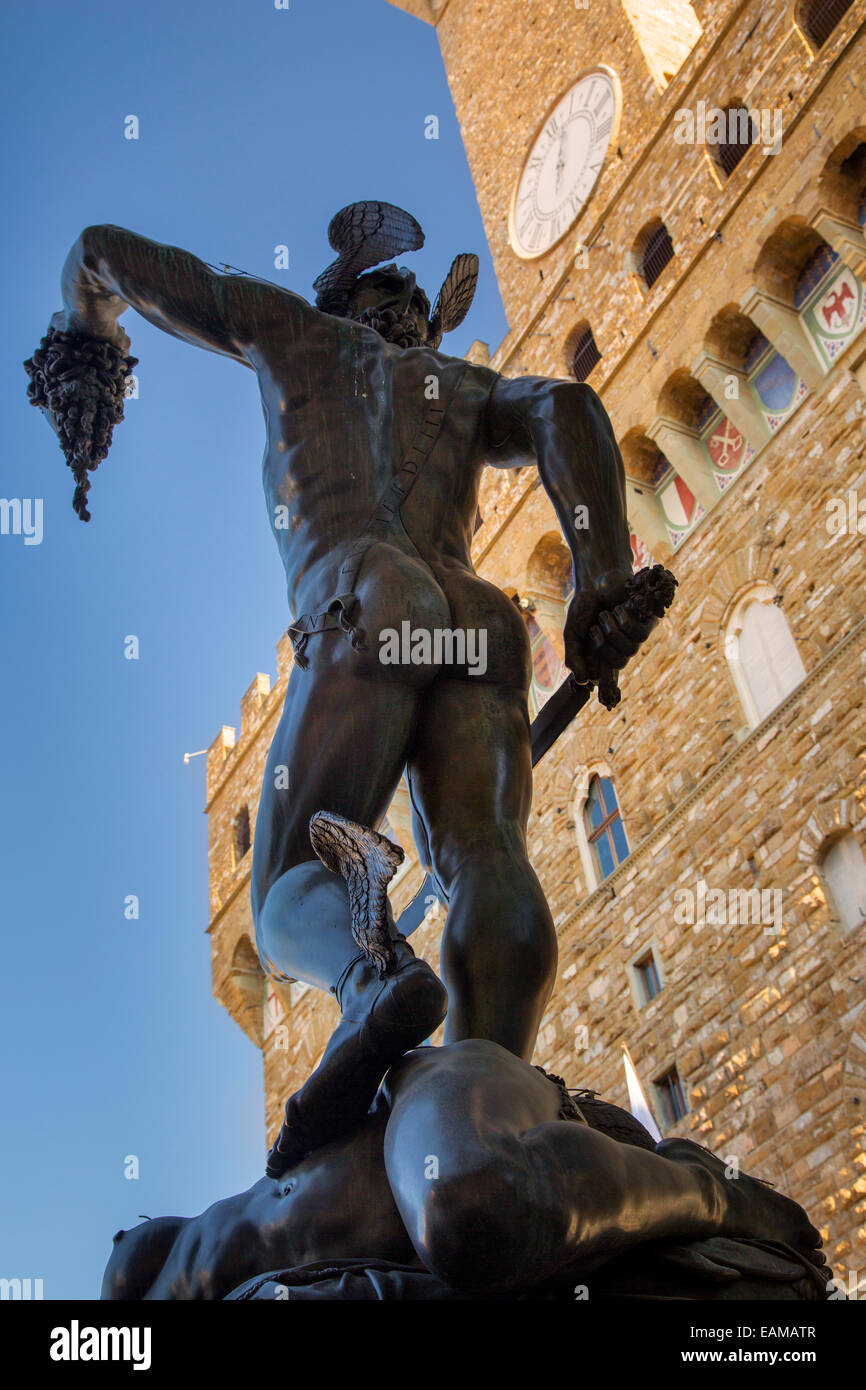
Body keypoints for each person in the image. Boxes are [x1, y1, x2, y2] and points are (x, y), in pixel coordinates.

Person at [42, 203, 665, 1173]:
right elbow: (565, 410)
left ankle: (371, 975)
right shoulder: (461, 387)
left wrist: (88, 327)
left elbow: (105, 254)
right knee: (485, 856)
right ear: (413, 320)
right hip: (479, 623)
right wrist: (595, 575)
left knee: (286, 882)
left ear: (346, 303)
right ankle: (489, 1107)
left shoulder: (294, 333)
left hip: (360, 598)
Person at [101, 1038, 828, 1301]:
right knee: (465, 1216)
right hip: (427, 1215)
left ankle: (706, 1190)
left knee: (467, 1201)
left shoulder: (135, 1274)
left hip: (422, 1099)